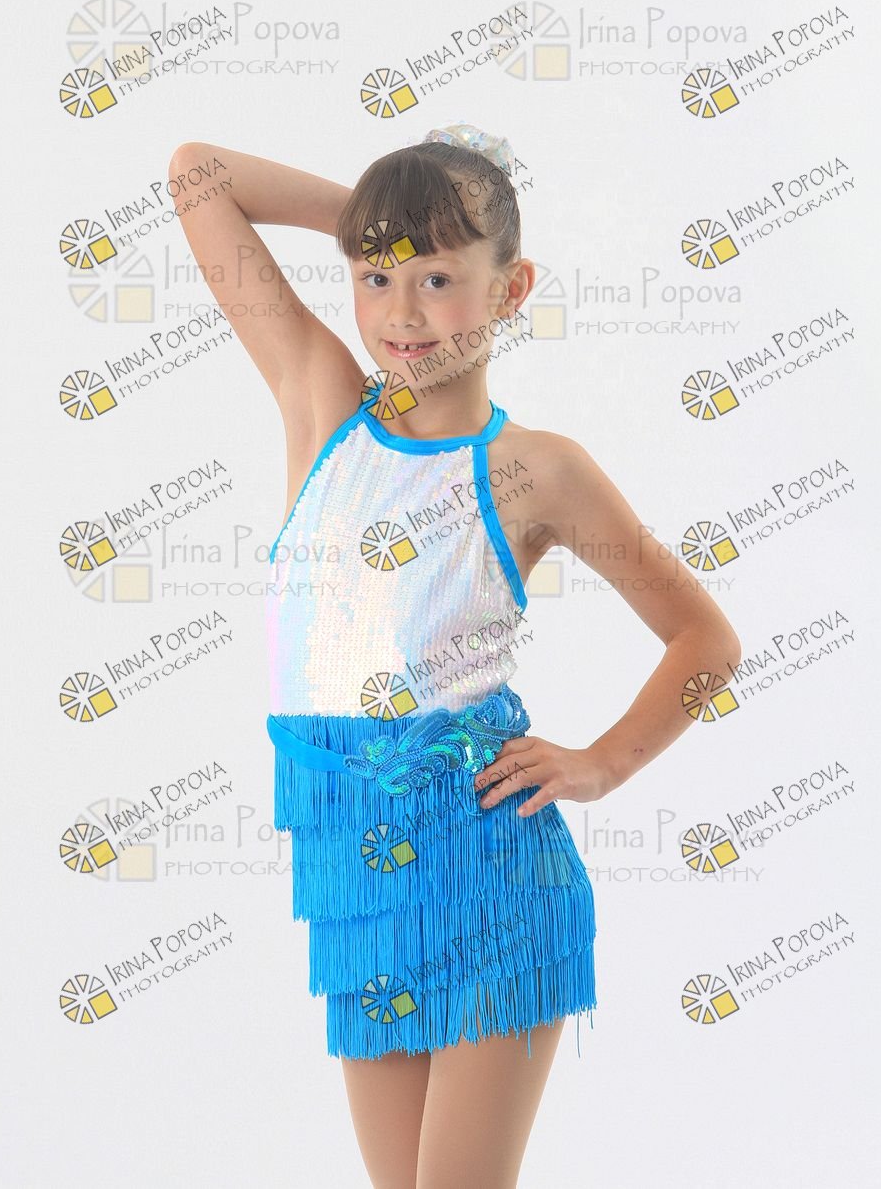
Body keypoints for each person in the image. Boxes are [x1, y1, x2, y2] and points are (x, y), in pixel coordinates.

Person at [171, 123, 742, 1189]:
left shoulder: (537, 471)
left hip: (492, 874)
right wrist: (387, 218)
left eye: (438, 277)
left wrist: (600, 764)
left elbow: (704, 639)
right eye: (375, 274)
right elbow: (199, 175)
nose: (400, 311)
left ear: (511, 287)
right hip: (351, 878)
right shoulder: (323, 408)